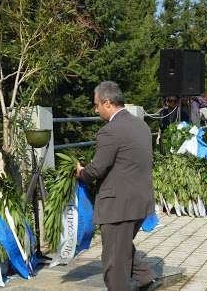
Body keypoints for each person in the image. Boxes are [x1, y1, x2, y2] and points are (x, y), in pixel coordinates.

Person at [76, 81, 160, 290]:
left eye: (96, 105)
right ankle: (146, 279)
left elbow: (96, 170)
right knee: (121, 248)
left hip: (118, 206)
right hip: (140, 202)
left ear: (107, 102)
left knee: (114, 263)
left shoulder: (109, 131)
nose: (96, 111)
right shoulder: (140, 124)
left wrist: (81, 173)